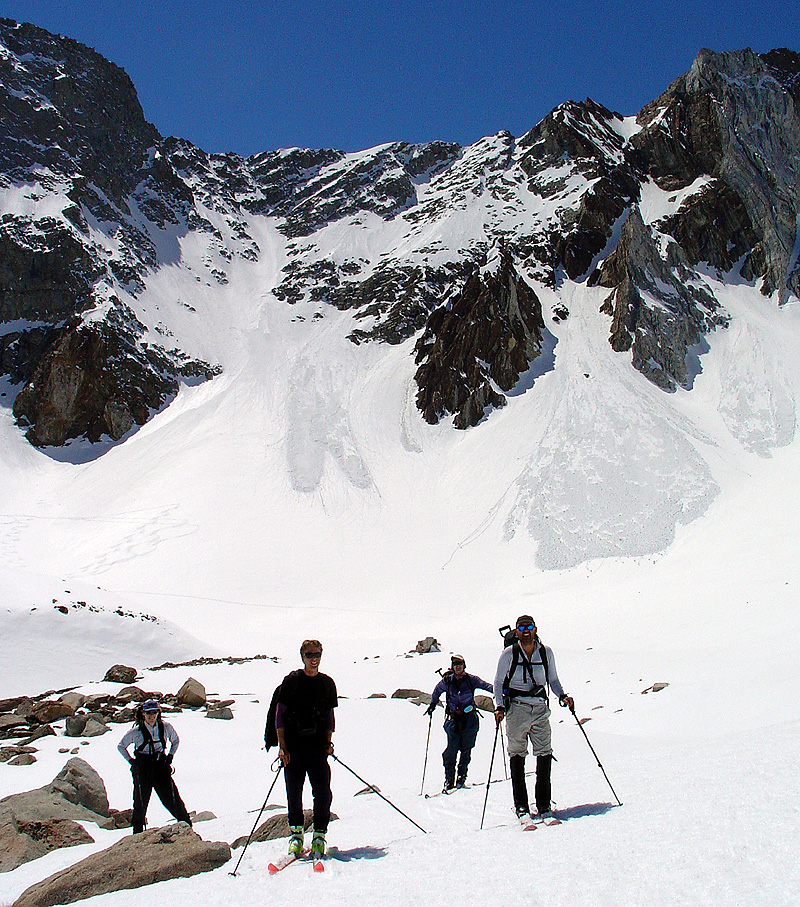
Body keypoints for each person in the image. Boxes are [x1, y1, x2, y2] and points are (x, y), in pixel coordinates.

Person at [493, 616, 574, 822]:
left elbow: (553, 679)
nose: (526, 631)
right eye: (522, 627)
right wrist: (500, 706)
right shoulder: (509, 654)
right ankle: (521, 807)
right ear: (517, 631)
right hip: (517, 709)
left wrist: (563, 696)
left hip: (539, 708)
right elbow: (498, 681)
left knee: (544, 754)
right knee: (517, 756)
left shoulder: (545, 653)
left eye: (529, 627)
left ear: (535, 629)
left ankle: (544, 805)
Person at [275, 639, 338, 857]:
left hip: (317, 748)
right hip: (294, 748)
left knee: (322, 793)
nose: (314, 659)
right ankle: (296, 836)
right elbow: (280, 715)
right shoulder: (291, 681)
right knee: (294, 793)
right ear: (302, 657)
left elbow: (329, 717)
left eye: (317, 654)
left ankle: (319, 835)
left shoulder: (327, 684)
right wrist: (282, 746)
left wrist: (328, 742)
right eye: (310, 655)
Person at [117, 699, 192, 834]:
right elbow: (121, 746)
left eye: (154, 712)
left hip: (160, 767)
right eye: (148, 713)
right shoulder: (136, 731)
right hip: (143, 769)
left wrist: (170, 756)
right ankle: (138, 836)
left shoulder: (165, 727)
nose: (151, 716)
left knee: (173, 800)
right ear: (143, 714)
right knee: (140, 804)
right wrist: (132, 761)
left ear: (158, 713)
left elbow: (175, 741)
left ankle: (187, 828)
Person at [426, 654, 493, 792]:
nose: (458, 667)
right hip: (453, 720)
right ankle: (449, 778)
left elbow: (485, 686)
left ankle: (461, 776)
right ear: (452, 666)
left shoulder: (470, 680)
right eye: (455, 664)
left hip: (469, 719)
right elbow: (437, 691)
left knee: (466, 748)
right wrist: (432, 704)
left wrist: (500, 691)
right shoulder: (447, 681)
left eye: (460, 664)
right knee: (452, 749)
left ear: (464, 666)